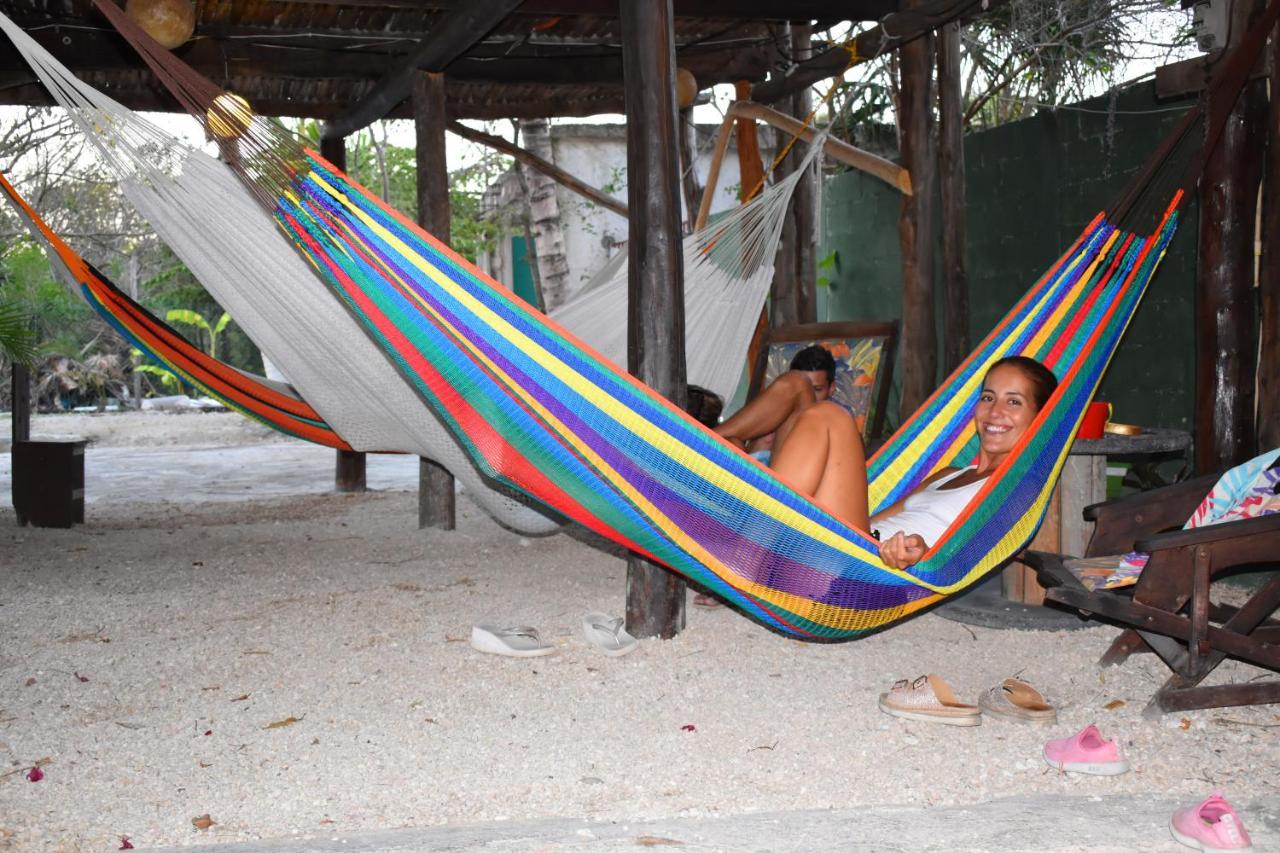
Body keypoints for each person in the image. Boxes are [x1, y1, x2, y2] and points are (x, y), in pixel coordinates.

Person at [757, 355, 1059, 569]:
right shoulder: (948, 474)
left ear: (1040, 418)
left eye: (1014, 402)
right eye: (988, 397)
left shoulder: (1015, 489)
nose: (995, 412)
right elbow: (873, 524)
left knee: (830, 416)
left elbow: (969, 558)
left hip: (857, 575)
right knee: (797, 385)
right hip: (849, 549)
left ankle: (752, 545)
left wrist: (923, 555)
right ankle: (760, 542)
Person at [714, 345, 839, 460]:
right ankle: (705, 439)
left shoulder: (838, 428)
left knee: (797, 382)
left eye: (816, 389)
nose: (809, 395)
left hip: (793, 478)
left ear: (831, 389)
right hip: (755, 478)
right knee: (731, 444)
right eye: (805, 391)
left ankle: (701, 438)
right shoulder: (769, 424)